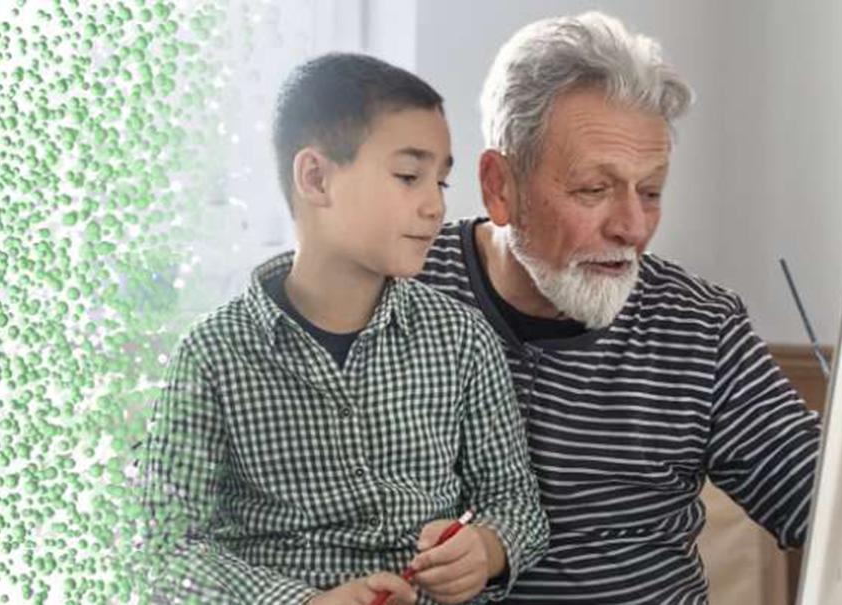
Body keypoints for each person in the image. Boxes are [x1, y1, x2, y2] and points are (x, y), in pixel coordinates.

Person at [415, 13, 822, 604]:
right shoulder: (397, 295)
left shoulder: (700, 327)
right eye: (593, 190)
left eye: (651, 191)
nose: (632, 227)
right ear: (500, 186)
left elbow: (821, 505)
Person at [141, 53, 547, 605]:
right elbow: (165, 548)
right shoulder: (213, 354)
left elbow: (515, 500)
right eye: (408, 176)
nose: (435, 205)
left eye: (442, 181)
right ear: (316, 177)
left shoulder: (462, 339)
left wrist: (486, 549)